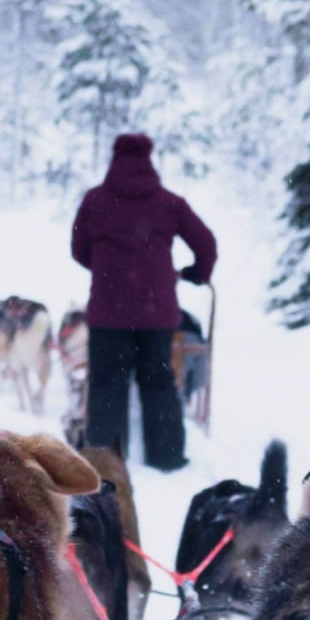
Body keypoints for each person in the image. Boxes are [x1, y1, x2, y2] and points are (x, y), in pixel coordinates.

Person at [71, 133, 217, 471]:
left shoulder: (94, 201)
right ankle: (166, 457)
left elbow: (78, 250)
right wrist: (195, 273)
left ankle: (106, 462)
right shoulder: (169, 203)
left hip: (108, 313)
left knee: (108, 384)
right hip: (157, 315)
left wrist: (109, 270)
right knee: (158, 383)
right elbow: (206, 243)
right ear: (150, 159)